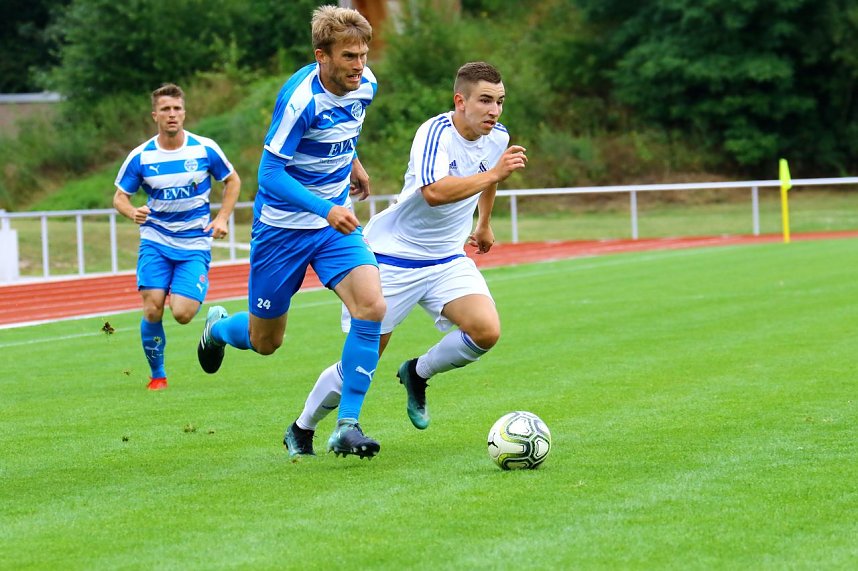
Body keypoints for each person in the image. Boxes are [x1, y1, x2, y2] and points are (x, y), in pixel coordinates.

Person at [283, 61, 527, 457]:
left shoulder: (497, 136)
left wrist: (484, 223)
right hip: (395, 258)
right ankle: (302, 427)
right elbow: (434, 192)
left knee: (486, 331)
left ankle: (417, 372)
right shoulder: (435, 133)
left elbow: (489, 177)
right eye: (485, 101)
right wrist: (495, 173)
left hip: (447, 258)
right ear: (460, 101)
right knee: (360, 364)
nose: (494, 110)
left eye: (500, 101)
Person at [196, 5, 385, 459]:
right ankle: (219, 330)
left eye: (363, 55)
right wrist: (325, 209)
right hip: (282, 230)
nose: (359, 66)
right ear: (322, 55)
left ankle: (347, 424)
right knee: (266, 342)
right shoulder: (299, 100)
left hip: (331, 227)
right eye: (348, 57)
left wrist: (353, 165)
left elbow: (347, 131)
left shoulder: (366, 85)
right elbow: (271, 174)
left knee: (372, 306)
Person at [113, 83, 241, 391]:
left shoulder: (204, 149)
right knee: (152, 307)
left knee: (183, 314)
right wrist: (132, 212)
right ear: (154, 115)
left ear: (184, 113)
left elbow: (232, 180)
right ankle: (158, 376)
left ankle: (216, 323)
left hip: (194, 243)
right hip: (156, 240)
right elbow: (120, 197)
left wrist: (222, 217)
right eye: (166, 110)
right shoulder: (141, 156)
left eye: (177, 109)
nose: (172, 115)